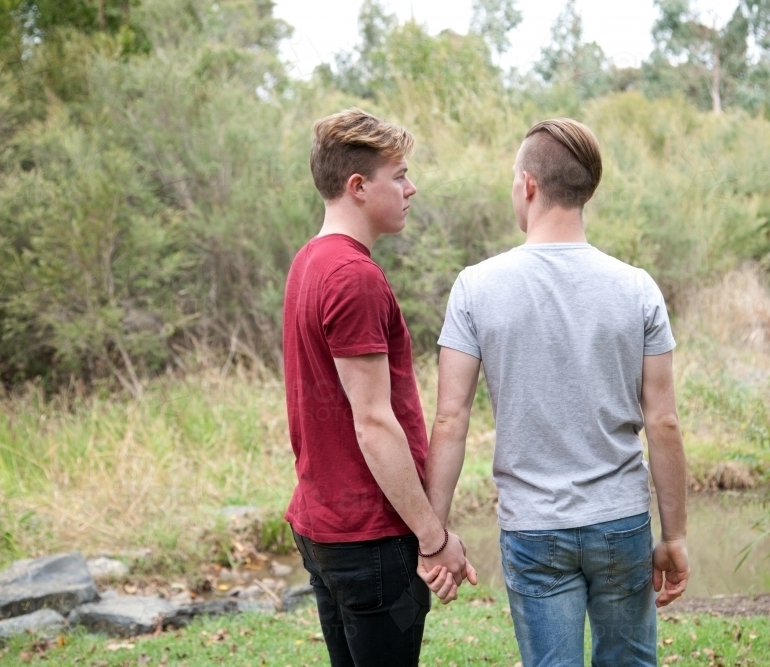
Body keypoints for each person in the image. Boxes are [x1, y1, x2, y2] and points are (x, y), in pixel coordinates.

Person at [422, 118, 690, 666]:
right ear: (586, 190)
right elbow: (662, 423)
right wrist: (675, 535)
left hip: (534, 526)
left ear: (527, 185)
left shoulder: (477, 286)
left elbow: (451, 420)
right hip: (620, 520)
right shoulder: (637, 287)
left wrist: (436, 532)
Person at [282, 108, 475, 667]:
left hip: (326, 529)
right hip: (370, 538)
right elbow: (372, 422)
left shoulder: (309, 262)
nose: (412, 188)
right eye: (400, 175)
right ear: (358, 187)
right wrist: (434, 539)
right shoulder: (353, 277)